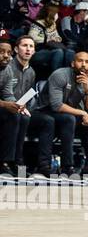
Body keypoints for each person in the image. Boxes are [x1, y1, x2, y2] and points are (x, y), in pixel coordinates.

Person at [29, 49, 88, 179]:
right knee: (69, 119)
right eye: (81, 61)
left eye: (87, 62)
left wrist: (87, 90)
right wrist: (82, 113)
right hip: (46, 111)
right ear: (72, 63)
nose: (85, 65)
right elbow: (56, 105)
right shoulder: (60, 75)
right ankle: (67, 166)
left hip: (66, 115)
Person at [0, 35, 36, 176]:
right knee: (12, 116)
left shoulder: (7, 70)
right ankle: (5, 162)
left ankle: (13, 161)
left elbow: (7, 93)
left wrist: (16, 105)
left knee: (18, 115)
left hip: (3, 106)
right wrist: (5, 104)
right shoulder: (11, 67)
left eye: (8, 53)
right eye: (2, 52)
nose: (6, 56)